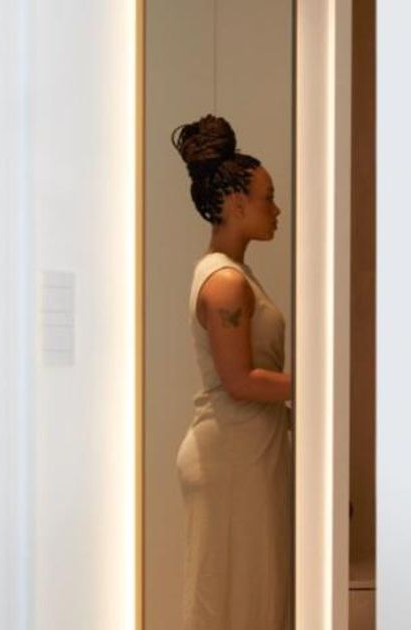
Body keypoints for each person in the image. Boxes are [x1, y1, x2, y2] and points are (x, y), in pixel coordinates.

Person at [172, 114, 294, 630]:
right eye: (268, 198)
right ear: (237, 204)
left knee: (252, 597)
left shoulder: (233, 274)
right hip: (231, 457)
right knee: (234, 603)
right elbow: (240, 380)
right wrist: (318, 385)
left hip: (246, 451)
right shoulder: (225, 282)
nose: (276, 209)